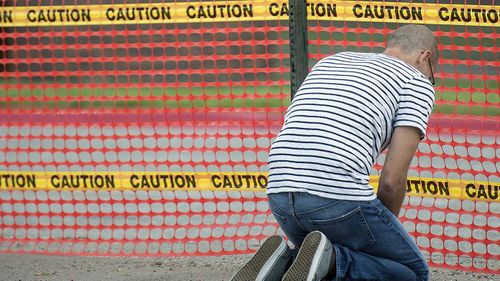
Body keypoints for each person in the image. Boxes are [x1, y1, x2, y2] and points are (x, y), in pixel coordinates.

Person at [231, 24, 438, 281]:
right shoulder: (416, 81)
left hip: (280, 196)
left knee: (316, 260)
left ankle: (286, 259)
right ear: (424, 56)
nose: (430, 80)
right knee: (412, 273)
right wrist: (378, 233)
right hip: (336, 200)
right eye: (432, 75)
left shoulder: (331, 61)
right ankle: (328, 261)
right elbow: (391, 181)